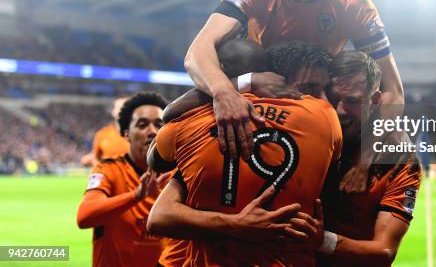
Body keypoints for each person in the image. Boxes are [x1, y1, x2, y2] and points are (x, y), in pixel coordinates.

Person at [184, 0, 404, 175]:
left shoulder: (354, 2)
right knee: (240, 52)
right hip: (264, 82)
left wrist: (365, 158)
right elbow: (197, 51)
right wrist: (224, 94)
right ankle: (180, 138)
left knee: (396, 137)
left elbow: (394, 90)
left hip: (317, 92)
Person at [147, 40, 342, 267]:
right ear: (276, 78)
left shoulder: (190, 123)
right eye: (310, 89)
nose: (321, 99)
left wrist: (235, 85)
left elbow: (157, 159)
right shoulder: (325, 117)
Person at [296, 50, 422, 267]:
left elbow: (384, 252)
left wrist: (322, 240)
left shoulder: (399, 160)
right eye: (333, 98)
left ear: (374, 101)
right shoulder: (304, 132)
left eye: (352, 101)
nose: (339, 110)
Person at [77, 92, 172, 267]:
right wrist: (135, 196)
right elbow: (84, 217)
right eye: (142, 125)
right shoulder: (108, 170)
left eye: (159, 124)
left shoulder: (175, 177)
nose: (152, 131)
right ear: (126, 134)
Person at [81, 97, 129, 166]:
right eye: (119, 108)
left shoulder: (140, 135)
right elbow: (95, 157)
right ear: (113, 111)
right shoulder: (102, 134)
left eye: (125, 108)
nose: (122, 111)